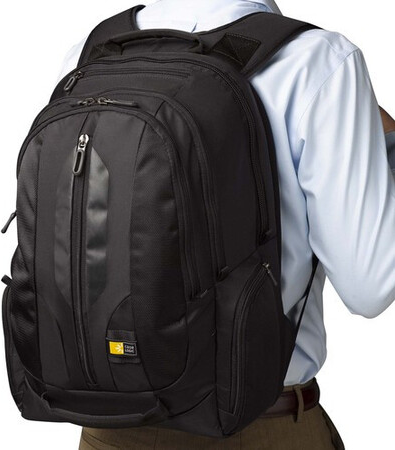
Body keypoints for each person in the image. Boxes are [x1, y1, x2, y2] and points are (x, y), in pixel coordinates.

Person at [57, 1, 395, 448]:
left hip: (107, 428)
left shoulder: (94, 51)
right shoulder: (317, 61)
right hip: (257, 427)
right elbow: (371, 287)